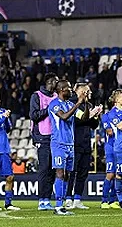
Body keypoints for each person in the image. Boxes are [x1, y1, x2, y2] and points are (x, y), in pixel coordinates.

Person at [48, 80, 83, 215]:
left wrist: (85, 106)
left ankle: (61, 203)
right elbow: (64, 116)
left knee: (67, 174)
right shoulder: (54, 104)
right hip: (58, 144)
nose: (71, 90)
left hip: (70, 144)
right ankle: (58, 206)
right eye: (69, 88)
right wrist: (78, 103)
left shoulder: (70, 104)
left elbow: (82, 117)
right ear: (62, 90)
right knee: (60, 173)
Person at [65, 83, 101, 209]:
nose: (89, 93)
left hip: (86, 144)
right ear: (80, 92)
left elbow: (94, 125)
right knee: (72, 172)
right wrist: (90, 115)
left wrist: (96, 115)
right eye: (87, 91)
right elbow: (79, 120)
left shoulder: (89, 105)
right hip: (74, 144)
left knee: (83, 173)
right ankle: (68, 198)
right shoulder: (71, 104)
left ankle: (77, 199)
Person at [30, 73, 59, 211]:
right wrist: (49, 109)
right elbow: (34, 115)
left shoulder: (56, 97)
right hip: (42, 136)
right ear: (50, 82)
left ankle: (47, 198)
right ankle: (42, 200)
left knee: (53, 170)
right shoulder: (37, 96)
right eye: (56, 82)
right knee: (44, 169)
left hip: (55, 136)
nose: (58, 84)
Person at [100, 110, 119, 209]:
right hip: (111, 148)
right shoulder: (106, 116)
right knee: (110, 174)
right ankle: (104, 200)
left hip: (121, 148)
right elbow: (110, 132)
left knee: (117, 175)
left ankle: (113, 200)